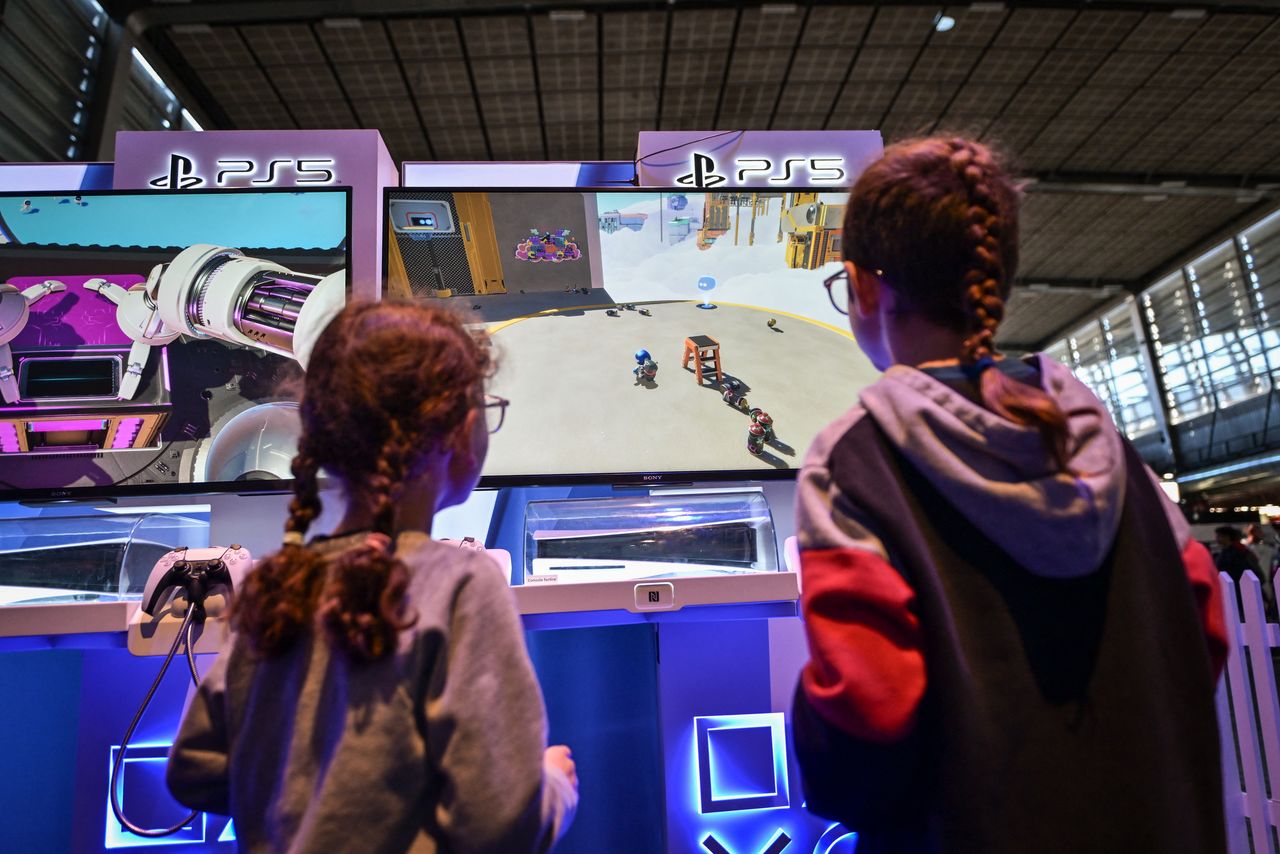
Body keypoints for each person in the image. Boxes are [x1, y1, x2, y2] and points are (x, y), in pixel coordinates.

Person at [793, 136, 1228, 854]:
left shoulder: (853, 464)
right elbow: (1201, 635)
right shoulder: (1114, 456)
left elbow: (867, 710)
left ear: (866, 287)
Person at [166, 302, 578, 853]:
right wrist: (552, 785)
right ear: (458, 432)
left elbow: (194, 769)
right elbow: (501, 823)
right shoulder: (462, 585)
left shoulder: (273, 584)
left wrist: (307, 799)